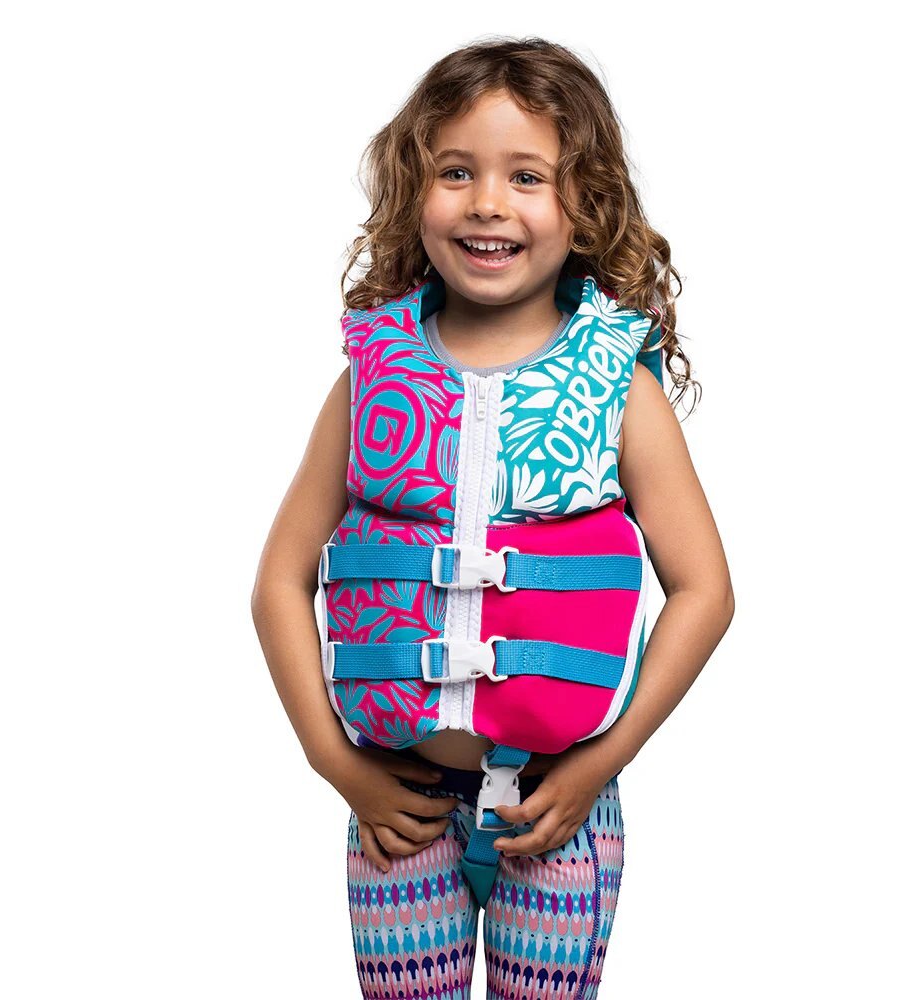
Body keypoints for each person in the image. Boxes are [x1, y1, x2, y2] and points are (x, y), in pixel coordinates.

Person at [252, 37, 734, 1000]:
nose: (487, 203)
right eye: (455, 172)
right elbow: (279, 580)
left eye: (527, 177)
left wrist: (601, 764)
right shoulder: (373, 379)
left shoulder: (616, 387)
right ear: (413, 192)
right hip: (398, 802)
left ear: (585, 202)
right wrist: (334, 764)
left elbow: (704, 590)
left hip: (561, 805)